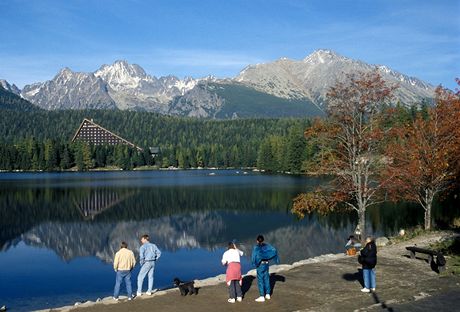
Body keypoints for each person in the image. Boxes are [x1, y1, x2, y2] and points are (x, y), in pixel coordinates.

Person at [251, 235, 279, 302]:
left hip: (260, 265)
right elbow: (274, 250)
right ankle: (268, 294)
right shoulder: (267, 246)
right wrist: (268, 256)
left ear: (257, 241)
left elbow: (254, 257)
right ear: (263, 240)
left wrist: (255, 263)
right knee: (266, 278)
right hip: (266, 264)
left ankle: (261, 296)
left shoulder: (256, 247)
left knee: (260, 280)